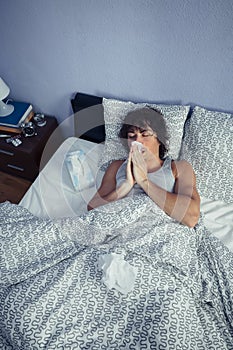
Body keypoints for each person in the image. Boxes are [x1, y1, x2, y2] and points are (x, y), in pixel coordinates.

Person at [88, 107, 200, 228]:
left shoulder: (179, 168)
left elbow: (191, 218)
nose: (137, 141)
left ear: (159, 138)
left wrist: (144, 182)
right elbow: (92, 209)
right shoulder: (116, 166)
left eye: (145, 134)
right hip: (120, 231)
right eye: (132, 136)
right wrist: (124, 187)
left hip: (158, 232)